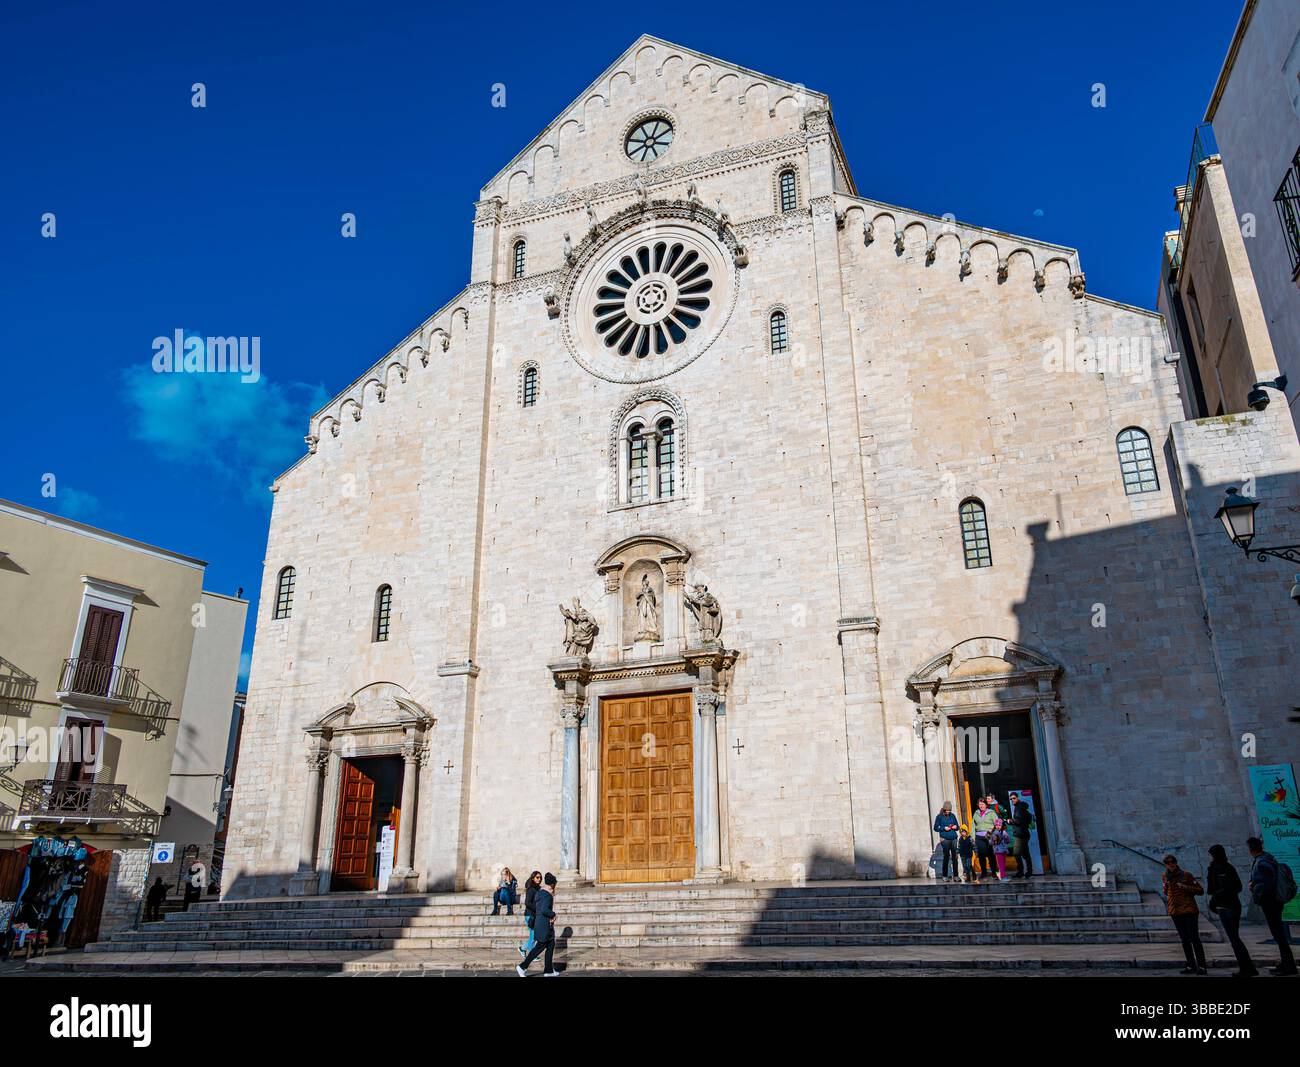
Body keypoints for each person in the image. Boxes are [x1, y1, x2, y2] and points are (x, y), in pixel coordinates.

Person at [1246, 836, 1297, 976]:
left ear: (1251, 850)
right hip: (1274, 901)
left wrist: (1253, 887)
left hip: (1270, 902)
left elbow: (1265, 886)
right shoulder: (1268, 858)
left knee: (1279, 935)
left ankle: (1289, 965)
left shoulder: (1261, 863)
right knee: (1279, 934)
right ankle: (1285, 962)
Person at [1206, 844, 1256, 978]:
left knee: (1234, 939)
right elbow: (1238, 886)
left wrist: (1216, 897)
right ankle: (1248, 967)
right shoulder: (1228, 867)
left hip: (1225, 906)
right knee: (1235, 938)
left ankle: (1247, 968)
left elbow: (1223, 888)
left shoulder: (1218, 868)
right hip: (1233, 905)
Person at [1162, 853, 1207, 975]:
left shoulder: (1186, 875)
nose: (1171, 864)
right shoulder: (1165, 876)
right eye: (1168, 862)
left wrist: (1185, 887)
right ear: (1165, 865)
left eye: (1173, 861)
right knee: (1184, 939)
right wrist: (1165, 887)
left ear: (1176, 862)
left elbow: (1200, 890)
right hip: (1175, 911)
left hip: (1189, 910)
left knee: (1194, 938)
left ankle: (1202, 965)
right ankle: (1190, 964)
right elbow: (1167, 892)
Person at [516, 872, 559, 976]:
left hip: (540, 923)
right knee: (539, 947)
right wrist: (553, 914)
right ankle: (522, 967)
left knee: (551, 944)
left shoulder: (540, 892)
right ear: (552, 884)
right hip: (545, 925)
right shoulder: (547, 895)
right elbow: (544, 910)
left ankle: (548, 970)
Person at [933, 802, 960, 883]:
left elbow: (957, 826)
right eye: (946, 810)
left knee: (955, 857)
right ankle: (945, 875)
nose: (948, 812)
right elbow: (935, 828)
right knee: (946, 856)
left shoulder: (953, 816)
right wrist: (944, 828)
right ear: (944, 809)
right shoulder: (939, 817)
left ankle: (956, 875)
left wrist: (956, 827)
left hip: (953, 838)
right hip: (945, 839)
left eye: (949, 810)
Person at [972, 797, 997, 880]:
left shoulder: (991, 813)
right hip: (979, 837)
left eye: (982, 804)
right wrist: (973, 836)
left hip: (989, 836)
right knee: (981, 855)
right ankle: (983, 872)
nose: (981, 806)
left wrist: (995, 834)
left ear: (986, 805)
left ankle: (994, 872)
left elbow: (997, 823)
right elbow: (973, 826)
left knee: (991, 854)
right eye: (979, 804)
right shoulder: (976, 813)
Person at [518, 870, 542, 957]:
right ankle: (532, 955)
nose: (539, 879)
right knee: (534, 934)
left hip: (535, 914)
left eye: (540, 877)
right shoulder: (531, 889)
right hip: (530, 915)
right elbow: (527, 902)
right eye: (537, 877)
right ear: (533, 878)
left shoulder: (538, 888)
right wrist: (537, 908)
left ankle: (523, 948)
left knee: (535, 934)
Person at [1010, 795, 1034, 878]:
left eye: (1014, 798)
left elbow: (1019, 821)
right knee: (1025, 853)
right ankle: (1029, 871)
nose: (1012, 800)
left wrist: (1011, 821)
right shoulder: (1021, 807)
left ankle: (1021, 871)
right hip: (1023, 833)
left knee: (1016, 853)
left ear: (1017, 798)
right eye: (1011, 799)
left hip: (1021, 834)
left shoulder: (1019, 808)